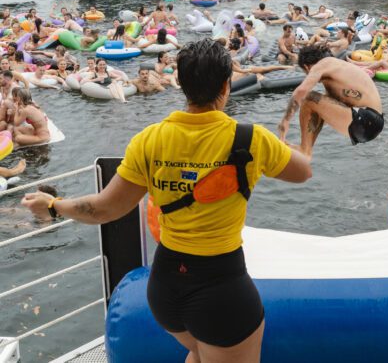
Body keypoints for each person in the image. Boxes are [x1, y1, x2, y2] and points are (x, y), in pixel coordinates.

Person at [22, 38, 312, 363]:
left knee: (200, 353)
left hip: (166, 289)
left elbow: (105, 208)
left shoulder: (151, 140)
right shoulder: (251, 139)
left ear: (181, 84)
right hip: (221, 291)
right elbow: (302, 172)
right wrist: (303, 133)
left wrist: (52, 205)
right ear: (227, 86)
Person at [278, 45, 384, 156]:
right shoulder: (335, 72)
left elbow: (301, 91)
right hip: (372, 123)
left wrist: (285, 122)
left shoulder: (322, 64)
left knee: (308, 97)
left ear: (307, 67)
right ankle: (305, 150)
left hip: (366, 118)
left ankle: (305, 150)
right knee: (315, 103)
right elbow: (321, 112)